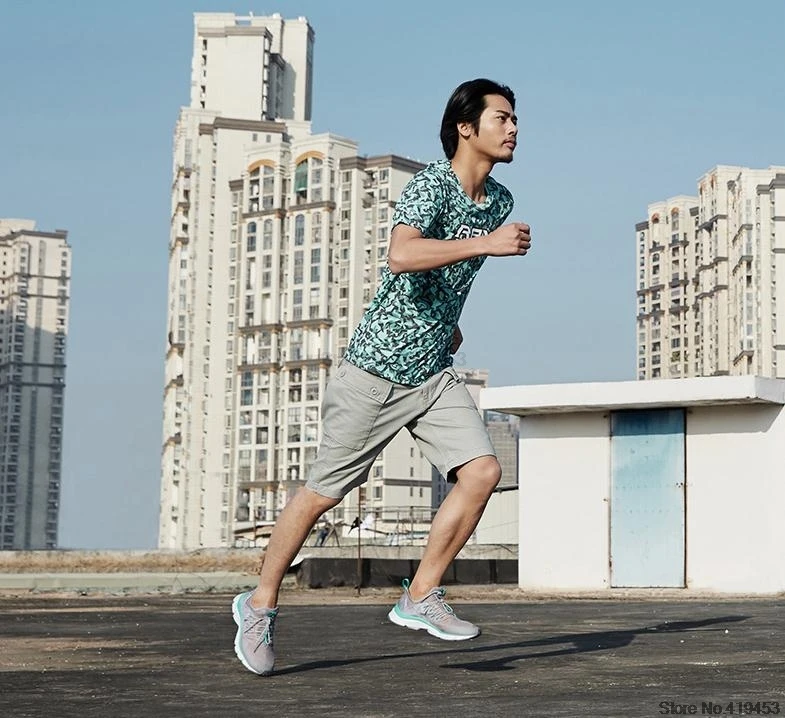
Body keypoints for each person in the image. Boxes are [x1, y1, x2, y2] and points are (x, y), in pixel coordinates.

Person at [232, 78, 532, 676]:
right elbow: (401, 254)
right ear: (466, 128)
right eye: (502, 118)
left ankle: (420, 595)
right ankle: (258, 604)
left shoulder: (497, 201)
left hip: (432, 373)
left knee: (483, 472)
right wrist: (487, 244)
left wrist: (446, 323)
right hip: (376, 371)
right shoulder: (432, 186)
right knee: (323, 494)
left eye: (515, 118)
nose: (514, 128)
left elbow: (444, 276)